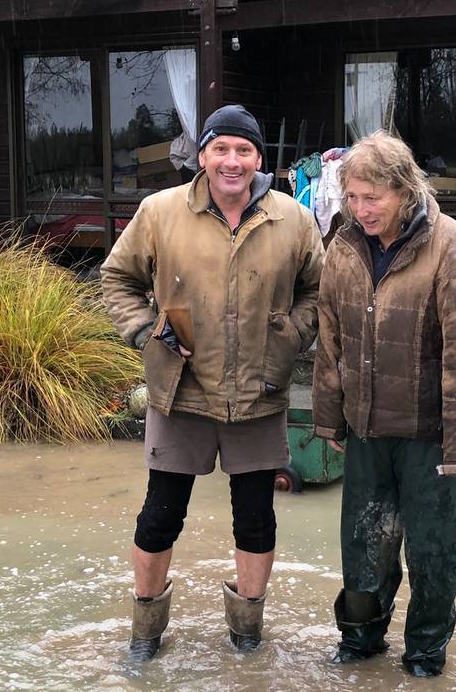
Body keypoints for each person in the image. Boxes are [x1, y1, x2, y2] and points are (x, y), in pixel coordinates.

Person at [101, 104, 324, 661]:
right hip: (181, 390)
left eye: (243, 150)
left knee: (255, 517)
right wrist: (145, 330)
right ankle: (145, 633)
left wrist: (289, 335)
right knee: (159, 515)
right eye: (220, 149)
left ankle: (247, 634)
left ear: (258, 159)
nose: (231, 161)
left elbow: (319, 292)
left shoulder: (292, 219)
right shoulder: (159, 212)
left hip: (260, 390)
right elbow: (117, 279)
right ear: (201, 155)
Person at [312, 131, 456, 677]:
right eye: (352, 198)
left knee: (433, 555)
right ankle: (361, 643)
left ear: (405, 190)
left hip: (430, 436)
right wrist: (329, 418)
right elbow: (330, 342)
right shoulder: (342, 247)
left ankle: (424, 656)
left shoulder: (452, 247)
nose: (361, 209)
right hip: (368, 431)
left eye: (374, 198)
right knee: (363, 548)